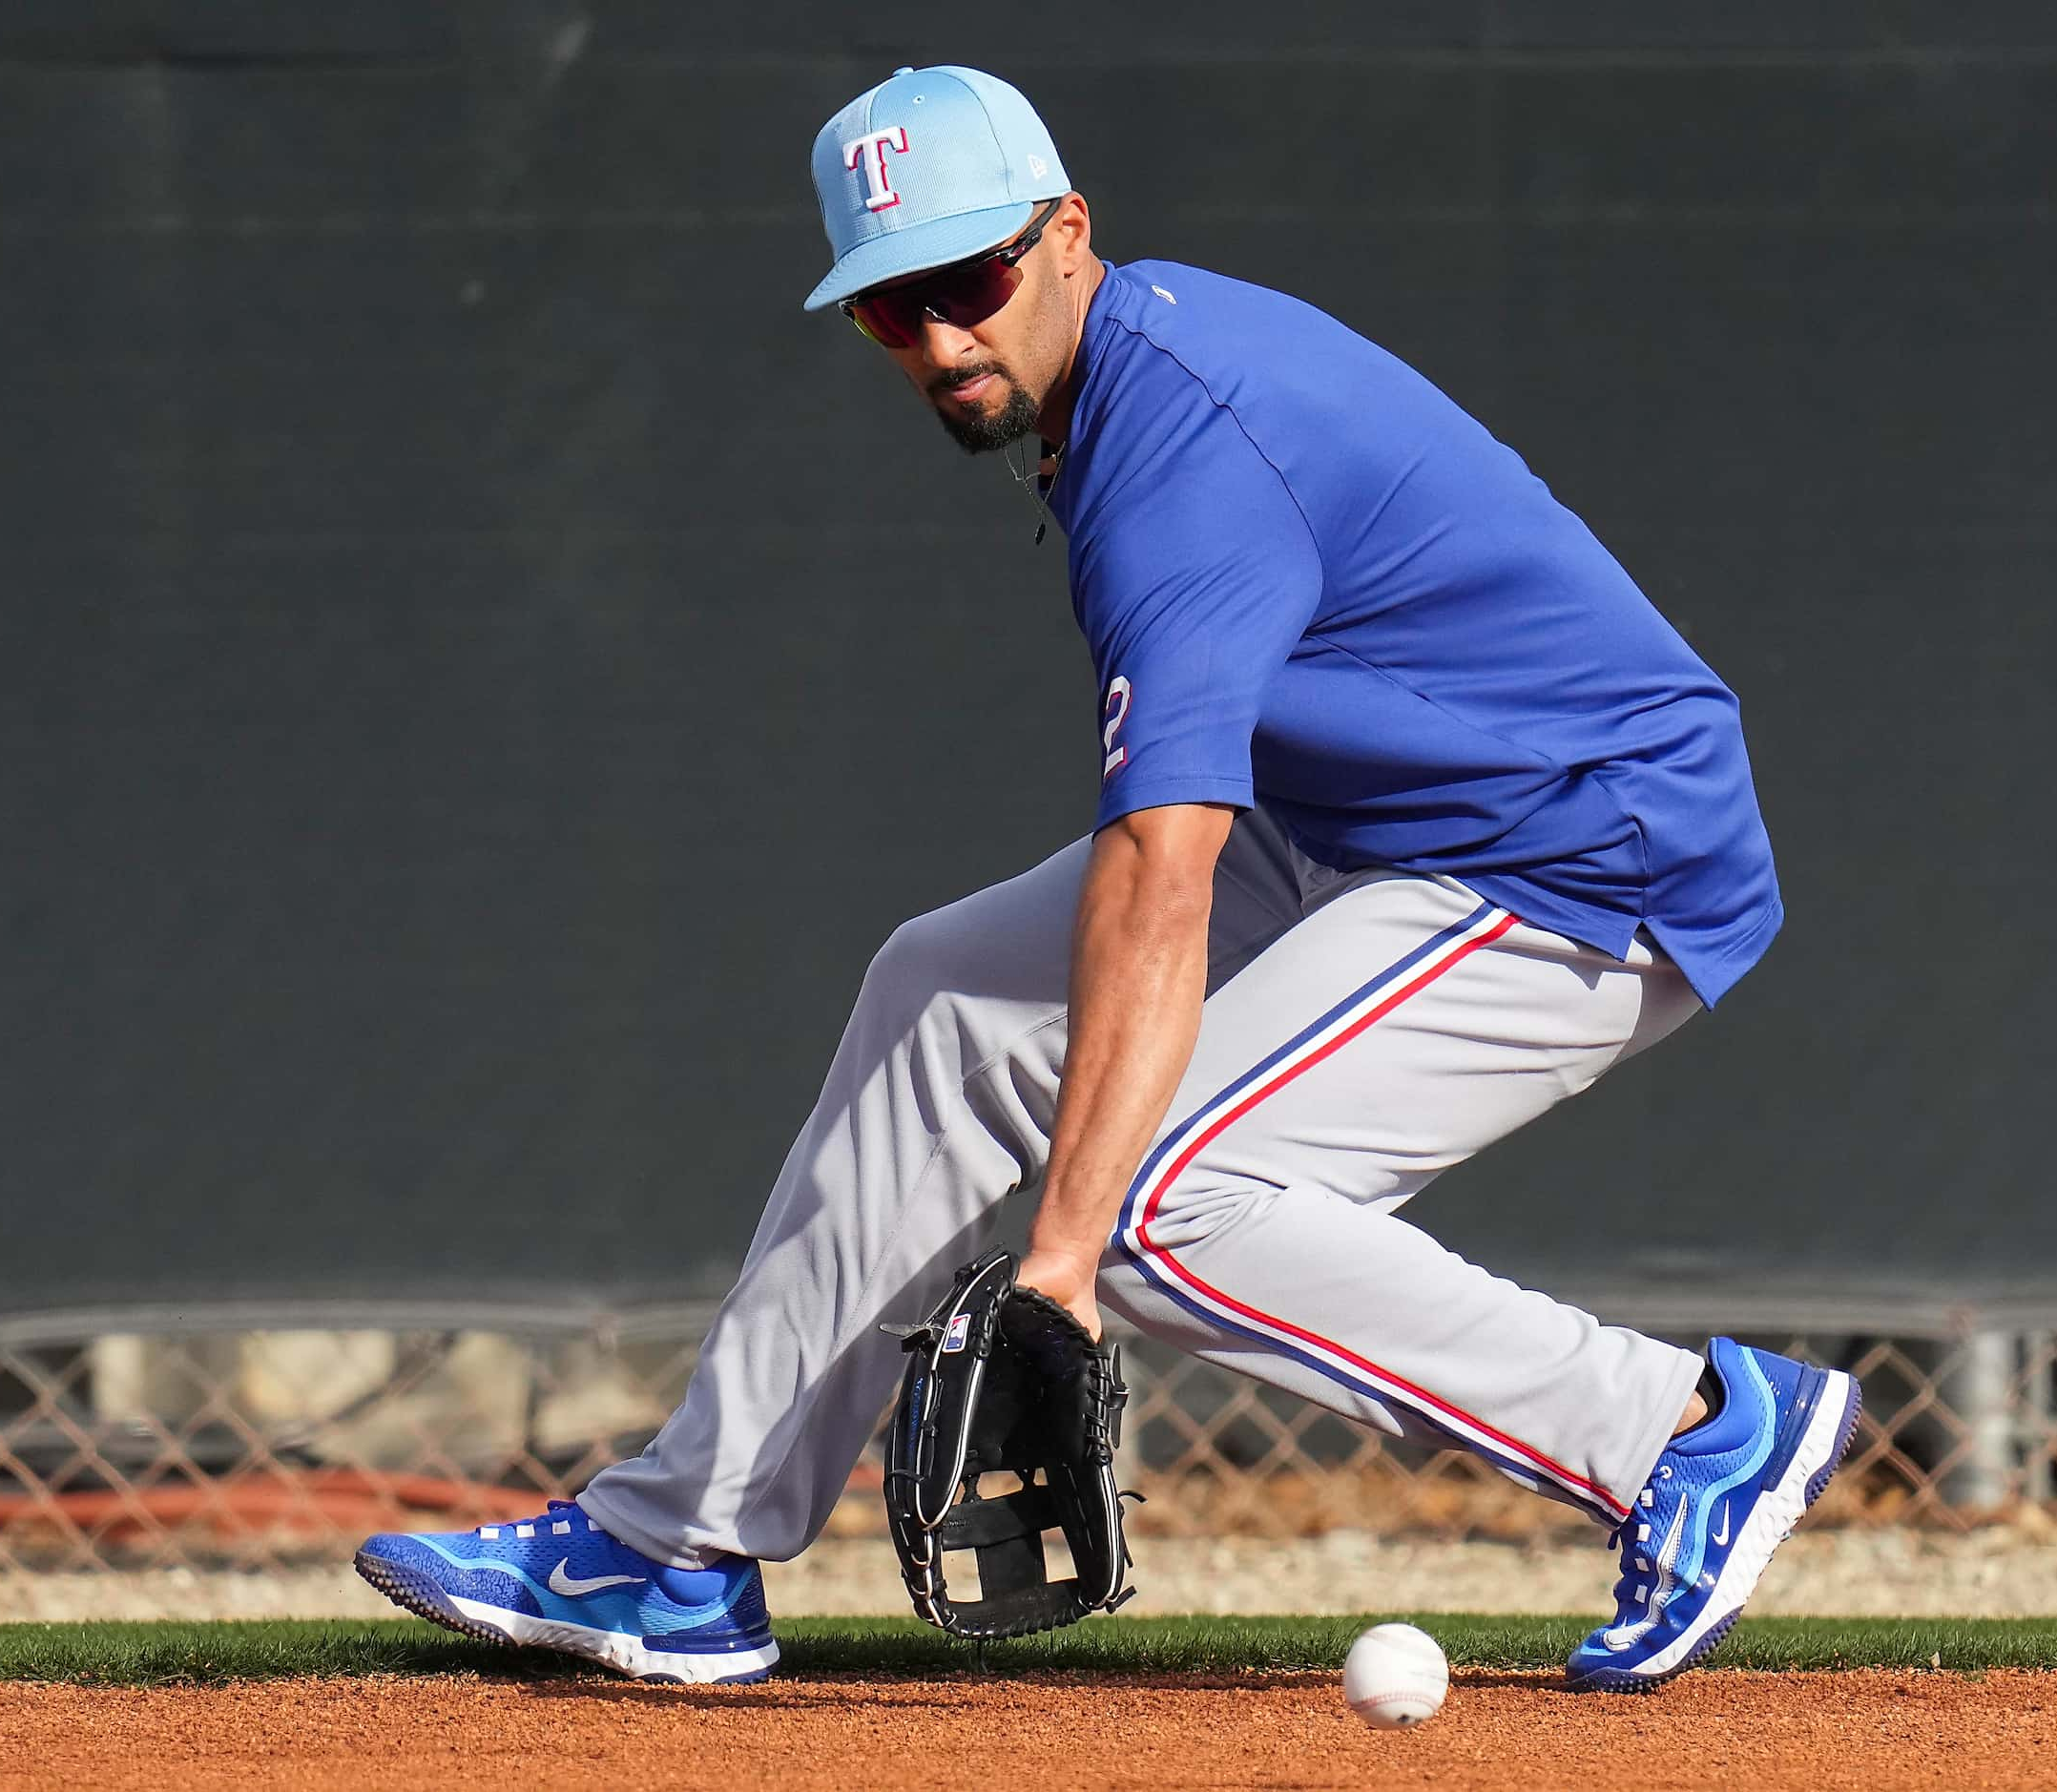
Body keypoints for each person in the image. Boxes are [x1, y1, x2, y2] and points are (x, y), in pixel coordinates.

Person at [354, 64, 1860, 1692]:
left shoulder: (1184, 454)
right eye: (886, 308)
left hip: (1579, 849)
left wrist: (1058, 1265)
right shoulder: (1116, 386)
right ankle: (676, 1548)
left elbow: (1161, 870)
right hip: (1379, 815)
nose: (937, 338)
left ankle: (1685, 1433)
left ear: (1067, 231)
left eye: (966, 280)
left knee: (1159, 1208)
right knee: (940, 991)